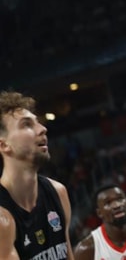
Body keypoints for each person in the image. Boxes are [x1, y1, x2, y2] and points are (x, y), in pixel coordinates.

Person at [0, 91, 74, 260]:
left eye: (37, 122)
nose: (42, 129)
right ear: (4, 145)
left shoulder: (58, 192)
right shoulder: (2, 217)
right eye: (26, 124)